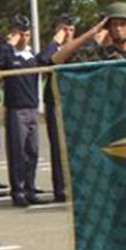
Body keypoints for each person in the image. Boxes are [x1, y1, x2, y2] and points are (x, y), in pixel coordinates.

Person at [52, 1, 126, 250]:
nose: (118, 29)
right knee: (114, 196)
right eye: (113, 24)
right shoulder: (99, 54)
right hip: (109, 134)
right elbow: (58, 58)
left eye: (123, 24)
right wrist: (92, 31)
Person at [0, 14, 44, 206]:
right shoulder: (9, 55)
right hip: (16, 109)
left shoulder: (31, 56)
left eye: (26, 33)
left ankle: (30, 188)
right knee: (17, 152)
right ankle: (18, 190)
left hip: (32, 109)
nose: (24, 37)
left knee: (32, 151)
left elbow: (47, 57)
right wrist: (10, 43)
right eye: (20, 33)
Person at [38, 13, 77, 202]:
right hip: (56, 102)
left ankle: (74, 185)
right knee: (58, 146)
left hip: (74, 102)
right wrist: (57, 40)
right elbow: (44, 59)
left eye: (71, 29)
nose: (68, 32)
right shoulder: (53, 49)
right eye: (64, 29)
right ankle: (60, 188)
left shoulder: (77, 48)